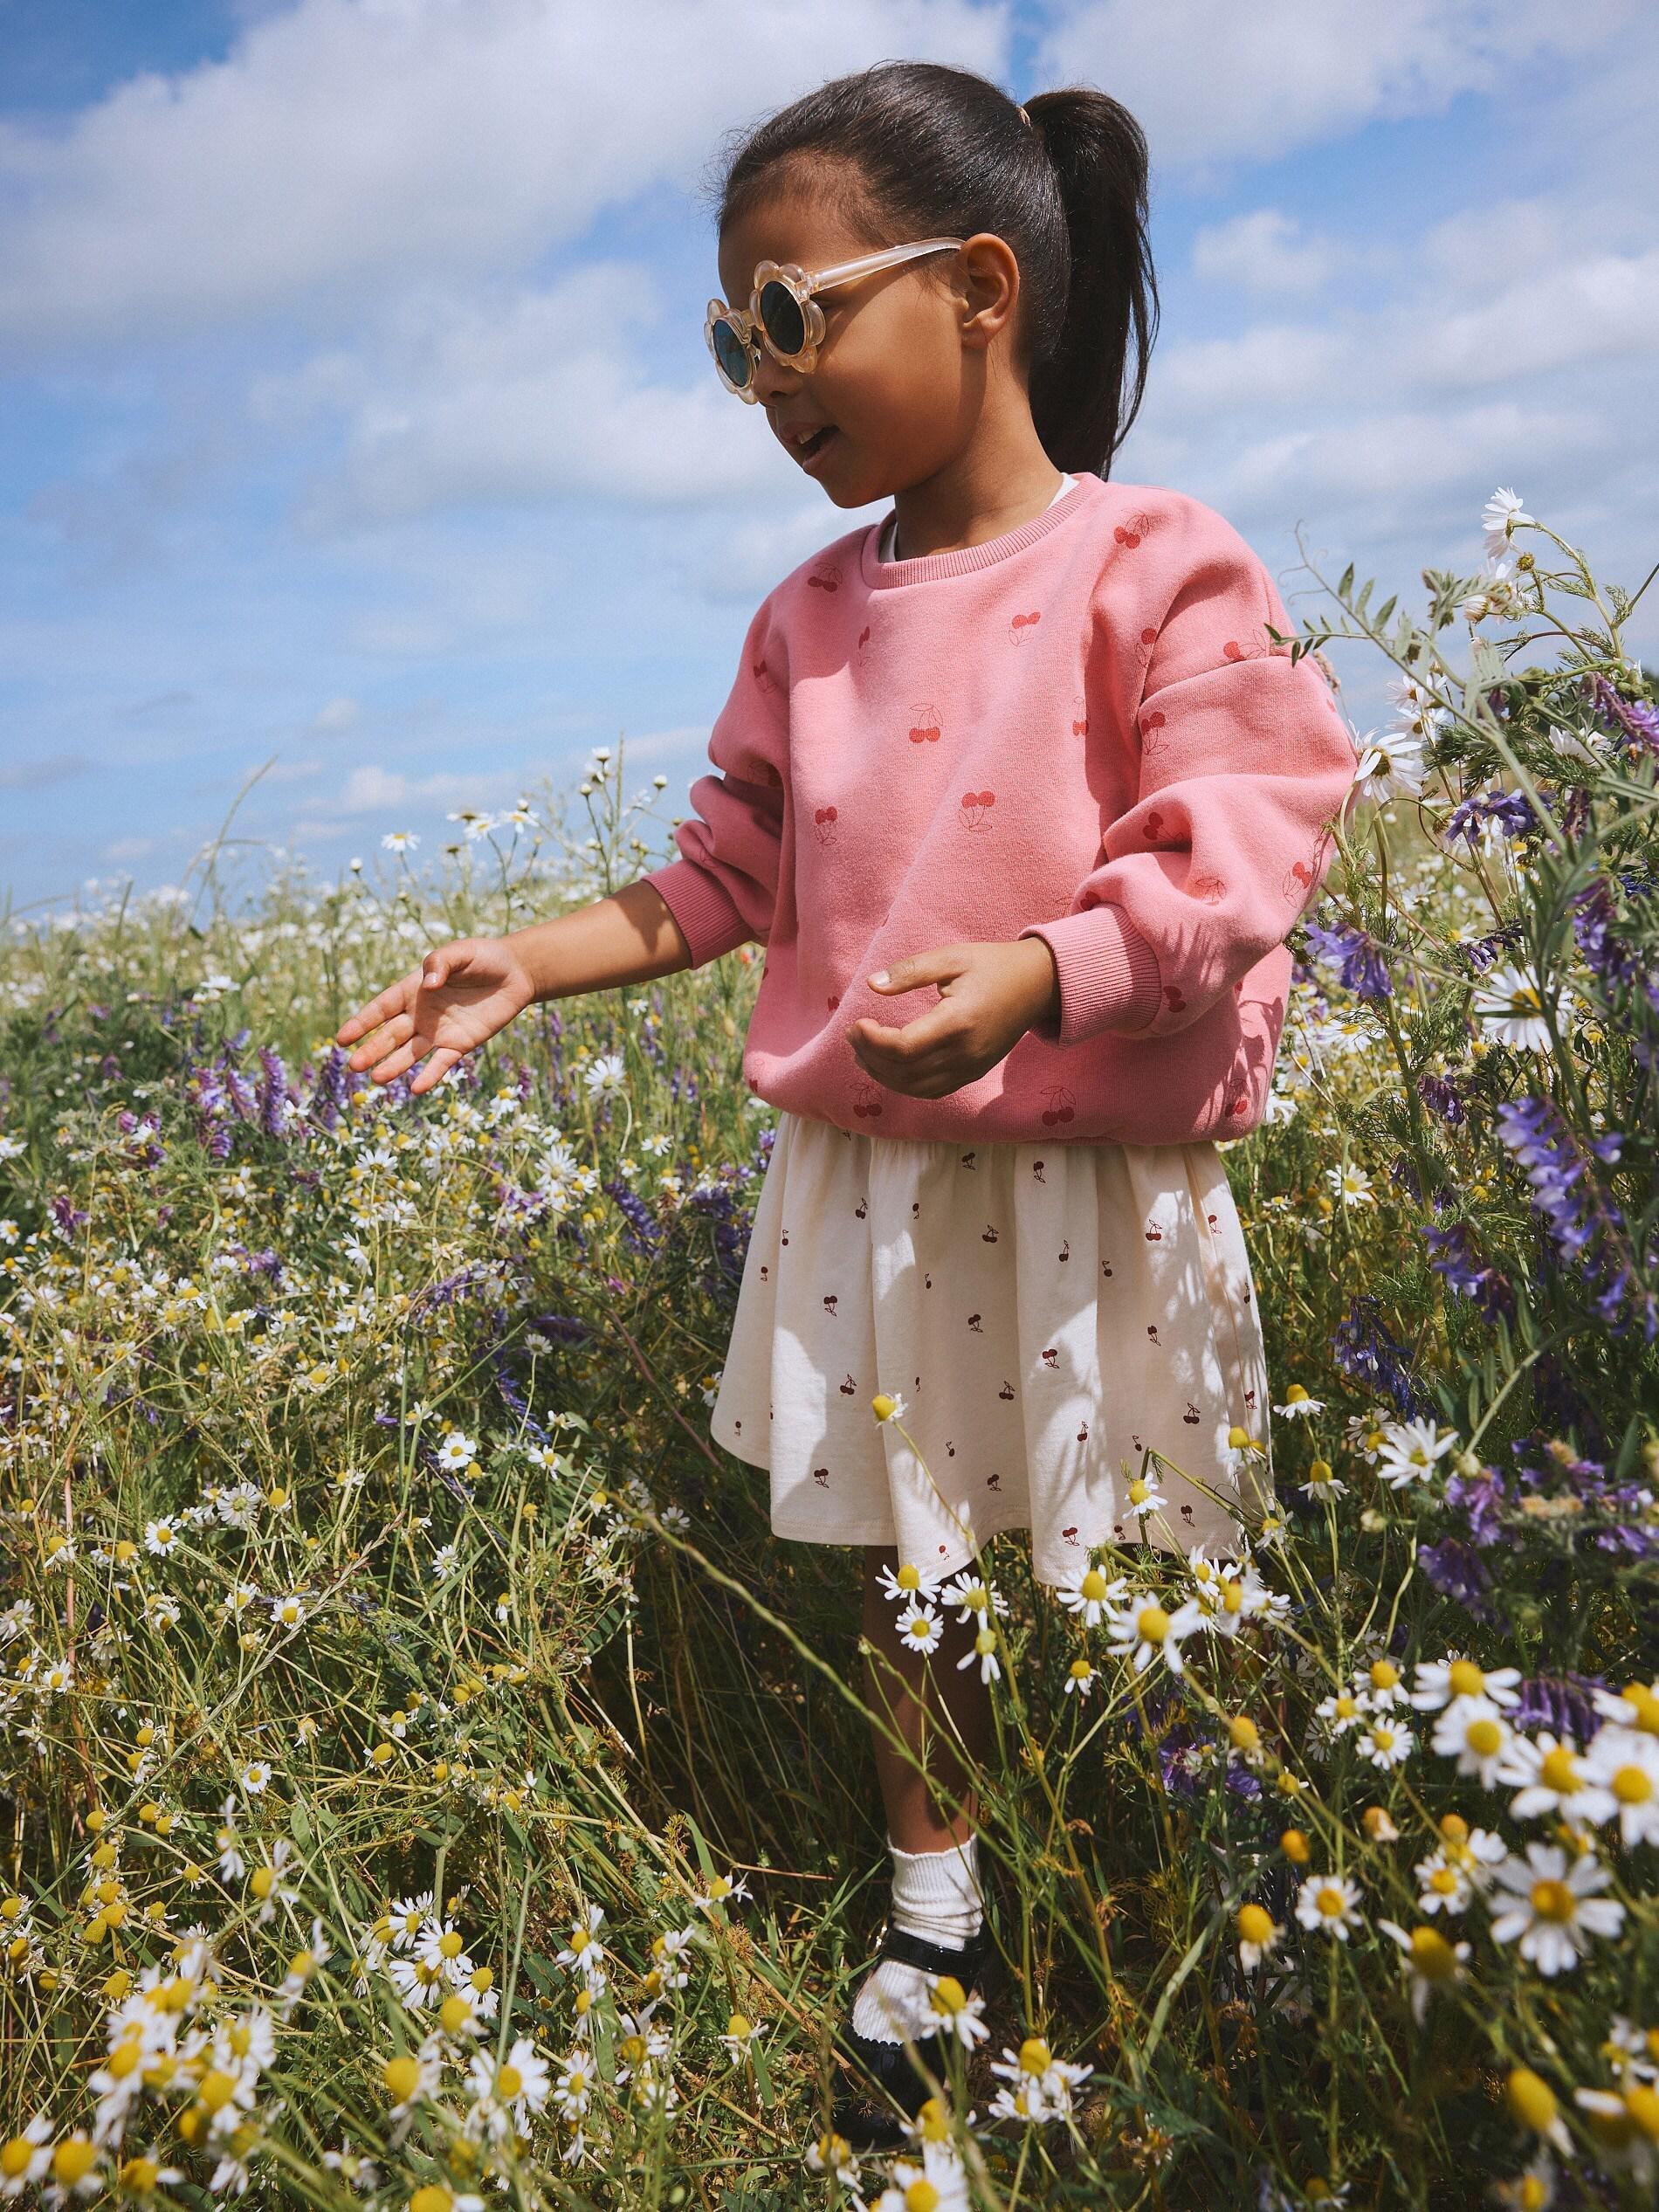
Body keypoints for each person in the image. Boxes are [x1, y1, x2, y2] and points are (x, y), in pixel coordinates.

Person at [334, 59, 1360, 2146]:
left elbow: (1251, 829)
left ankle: (1244, 1898)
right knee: (915, 1576)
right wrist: (528, 956)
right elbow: (722, 873)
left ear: (977, 285)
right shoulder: (804, 618)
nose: (757, 378)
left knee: (1162, 1562)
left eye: (785, 315)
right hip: (878, 1188)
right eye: (729, 344)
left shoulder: (1154, 560)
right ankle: (934, 1917)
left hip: (1101, 1175)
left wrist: (1040, 974)